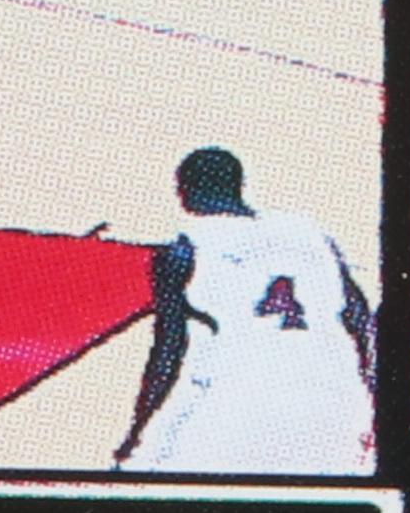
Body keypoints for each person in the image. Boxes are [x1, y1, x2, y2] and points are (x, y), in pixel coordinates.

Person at [118, 146, 377, 474]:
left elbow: (167, 354)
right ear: (238, 185)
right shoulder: (310, 235)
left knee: (154, 478)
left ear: (185, 190)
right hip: (335, 406)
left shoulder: (184, 249)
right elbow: (361, 321)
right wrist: (372, 397)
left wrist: (137, 429)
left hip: (242, 405)